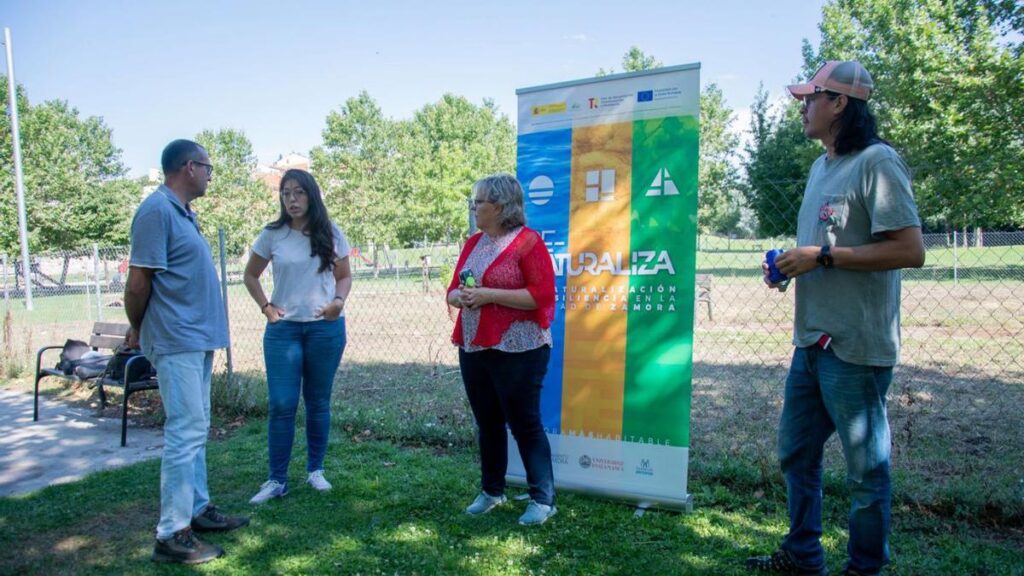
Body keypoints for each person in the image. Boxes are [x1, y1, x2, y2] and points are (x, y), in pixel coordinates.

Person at [746, 61, 925, 576]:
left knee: (867, 474)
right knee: (795, 454)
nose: (803, 107)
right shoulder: (821, 166)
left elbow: (910, 250)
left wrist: (821, 257)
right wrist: (788, 267)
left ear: (840, 103)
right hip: (811, 343)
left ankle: (864, 569)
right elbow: (822, 247)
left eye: (811, 98)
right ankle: (803, 556)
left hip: (856, 347)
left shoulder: (879, 162)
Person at [125, 139, 248, 565]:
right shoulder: (156, 211)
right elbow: (138, 283)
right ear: (189, 167)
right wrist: (138, 328)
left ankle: (197, 510)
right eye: (208, 168)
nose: (211, 175)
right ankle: (171, 533)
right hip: (175, 340)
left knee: (197, 428)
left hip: (194, 340)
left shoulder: (182, 214)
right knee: (185, 431)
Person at [446, 174, 557, 526]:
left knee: (524, 423)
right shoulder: (473, 243)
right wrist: (461, 296)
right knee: (487, 422)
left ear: (499, 206)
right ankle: (492, 490)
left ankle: (543, 499)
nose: (474, 207)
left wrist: (490, 294)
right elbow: (451, 291)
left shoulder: (528, 243)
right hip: (475, 345)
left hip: (520, 347)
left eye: (479, 201)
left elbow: (541, 297)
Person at [243, 169, 352, 504]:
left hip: (325, 329)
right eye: (286, 193)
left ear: (311, 195)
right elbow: (251, 275)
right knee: (281, 404)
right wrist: (266, 307)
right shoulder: (272, 235)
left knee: (318, 402)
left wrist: (337, 302)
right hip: (284, 332)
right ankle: (276, 479)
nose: (291, 199)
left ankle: (315, 470)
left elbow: (345, 277)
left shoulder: (331, 233)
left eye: (298, 193)